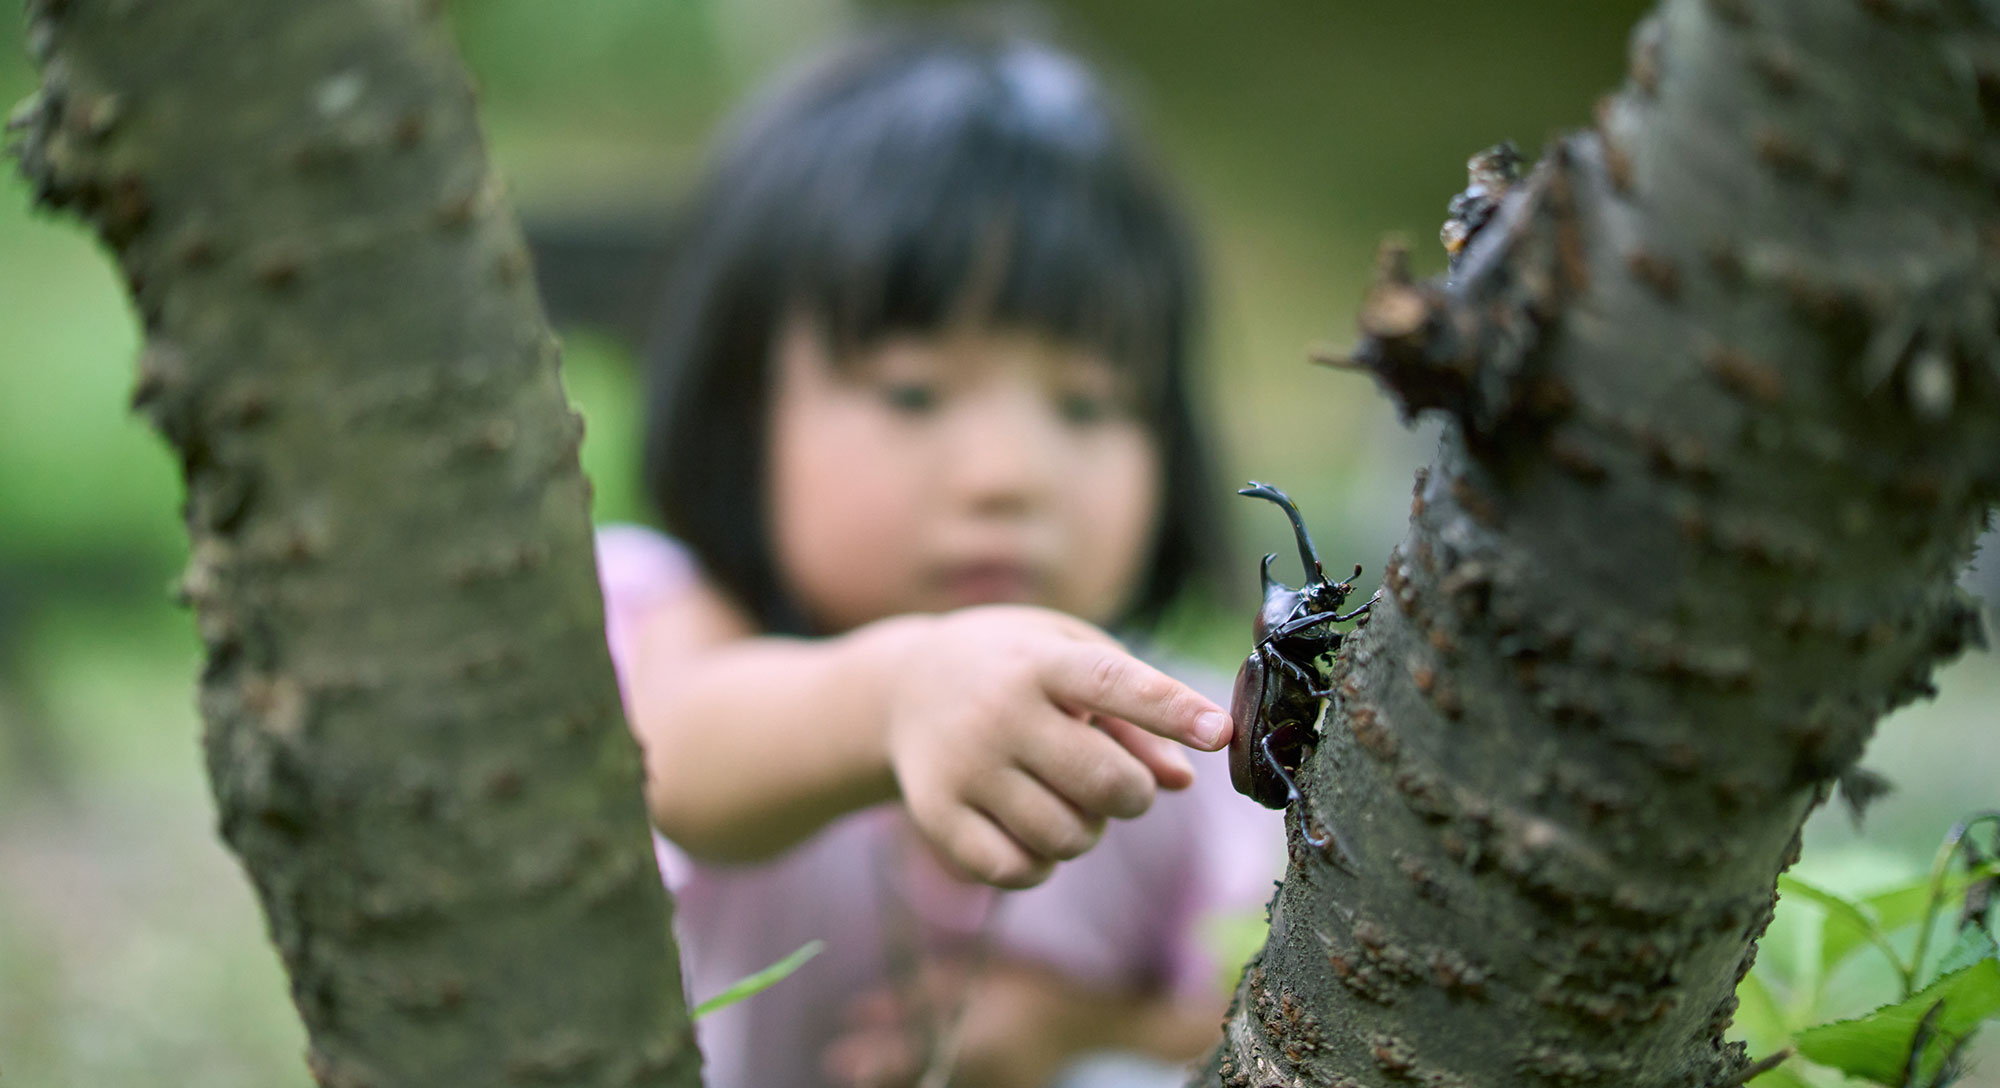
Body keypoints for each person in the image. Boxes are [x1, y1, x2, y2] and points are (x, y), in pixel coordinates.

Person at [596, 20, 1284, 1088]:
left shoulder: (1188, 752)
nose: (1007, 473)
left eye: (1087, 403)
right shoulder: (661, 619)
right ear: (742, 408)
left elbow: (1269, 1017)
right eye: (912, 391)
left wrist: (1072, 1026)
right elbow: (673, 763)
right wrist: (897, 691)